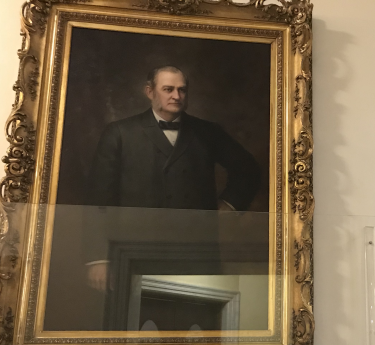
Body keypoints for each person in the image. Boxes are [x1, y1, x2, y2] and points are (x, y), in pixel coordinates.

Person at [84, 65, 262, 291]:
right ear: (150, 92)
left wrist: (228, 205)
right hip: (133, 251)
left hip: (195, 251)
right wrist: (99, 259)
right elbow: (98, 200)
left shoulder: (207, 132)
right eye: (168, 89)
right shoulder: (119, 133)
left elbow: (248, 170)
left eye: (182, 90)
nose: (176, 96)